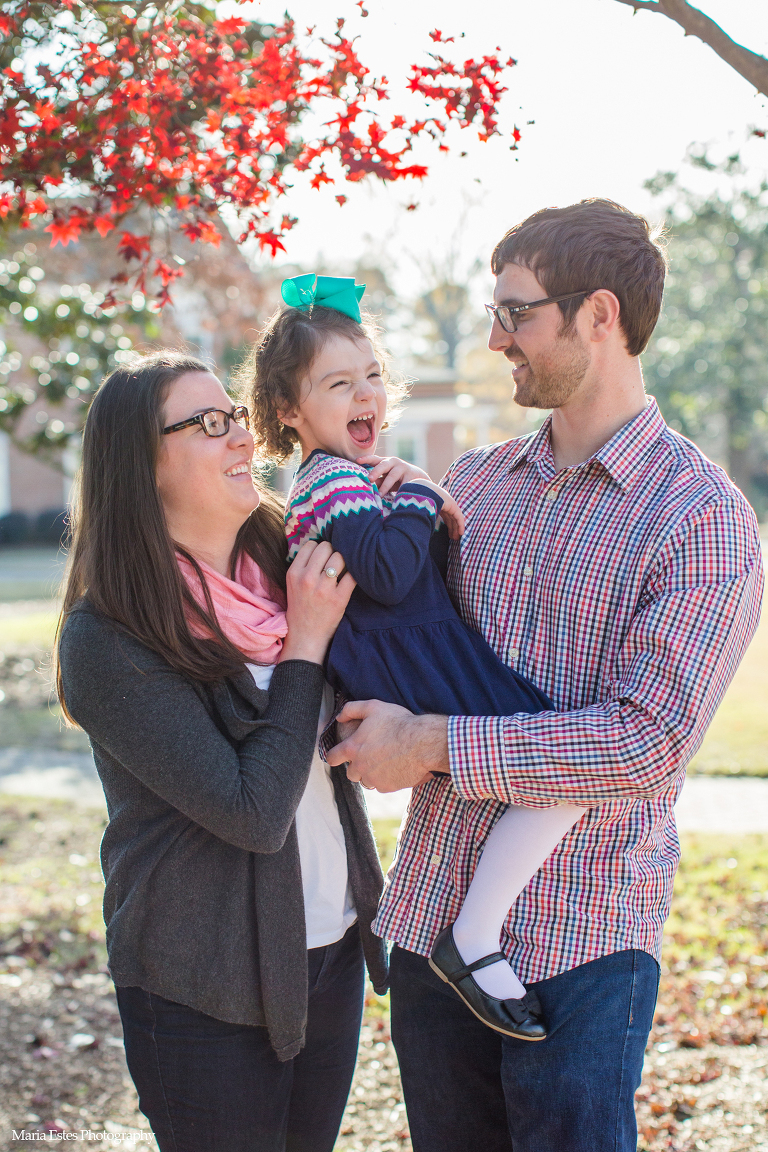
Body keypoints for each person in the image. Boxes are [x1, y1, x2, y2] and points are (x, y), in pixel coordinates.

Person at [325, 200, 764, 1152]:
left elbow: (645, 743)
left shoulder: (701, 520)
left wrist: (432, 742)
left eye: (517, 313)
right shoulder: (471, 488)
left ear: (598, 316)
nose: (495, 337)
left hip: (585, 940)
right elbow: (397, 634)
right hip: (433, 919)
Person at [238, 273, 587, 1042]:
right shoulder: (330, 481)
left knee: (556, 764)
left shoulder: (354, 478)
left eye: (372, 377)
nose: (365, 396)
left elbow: (405, 562)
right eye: (338, 384)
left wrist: (415, 499)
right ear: (291, 413)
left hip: (418, 651)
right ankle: (474, 934)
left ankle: (476, 931)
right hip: (406, 664)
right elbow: (393, 575)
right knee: (563, 762)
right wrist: (425, 493)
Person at [55, 351, 388, 1152]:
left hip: (331, 946)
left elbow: (412, 617)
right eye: (207, 424)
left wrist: (404, 491)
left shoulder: (289, 563)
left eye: (234, 415)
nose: (241, 436)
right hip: (201, 980)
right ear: (145, 465)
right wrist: (305, 647)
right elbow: (250, 811)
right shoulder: (108, 638)